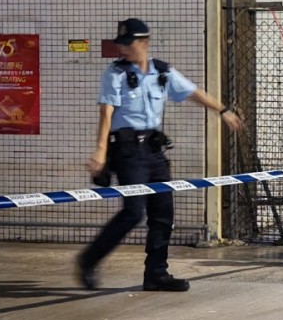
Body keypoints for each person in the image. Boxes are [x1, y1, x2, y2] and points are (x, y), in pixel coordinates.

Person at [76, 18, 244, 292]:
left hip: (154, 150)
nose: (123, 49)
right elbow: (106, 114)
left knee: (163, 213)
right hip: (127, 151)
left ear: (143, 43)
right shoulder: (115, 73)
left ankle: (156, 274)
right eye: (121, 44)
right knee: (133, 212)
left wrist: (223, 111)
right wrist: (100, 152)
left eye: (128, 43)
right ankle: (89, 260)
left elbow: (193, 92)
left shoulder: (162, 72)